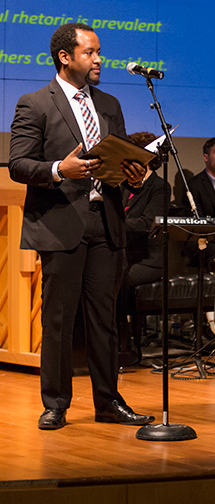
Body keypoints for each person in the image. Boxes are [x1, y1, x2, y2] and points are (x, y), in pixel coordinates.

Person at [9, 23, 154, 430]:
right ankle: (55, 402)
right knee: (58, 317)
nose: (98, 60)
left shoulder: (109, 103)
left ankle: (108, 401)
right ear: (65, 57)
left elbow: (119, 158)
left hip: (106, 221)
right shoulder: (35, 103)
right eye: (90, 53)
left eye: (99, 52)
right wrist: (60, 168)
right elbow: (18, 164)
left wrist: (133, 174)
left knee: (105, 318)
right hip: (60, 223)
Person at [116, 131, 170, 365]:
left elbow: (148, 223)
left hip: (149, 259)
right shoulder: (121, 185)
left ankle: (125, 346)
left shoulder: (160, 187)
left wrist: (114, 224)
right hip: (123, 252)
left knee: (119, 280)